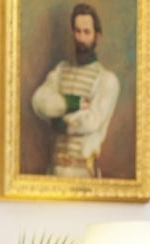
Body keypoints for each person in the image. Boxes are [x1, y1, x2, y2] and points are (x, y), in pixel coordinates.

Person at [31, 2, 120, 178]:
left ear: (97, 36)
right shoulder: (60, 70)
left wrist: (60, 123)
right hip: (54, 171)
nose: (80, 38)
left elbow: (91, 121)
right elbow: (39, 102)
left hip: (83, 174)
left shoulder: (107, 80)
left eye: (86, 32)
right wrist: (73, 103)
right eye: (77, 31)